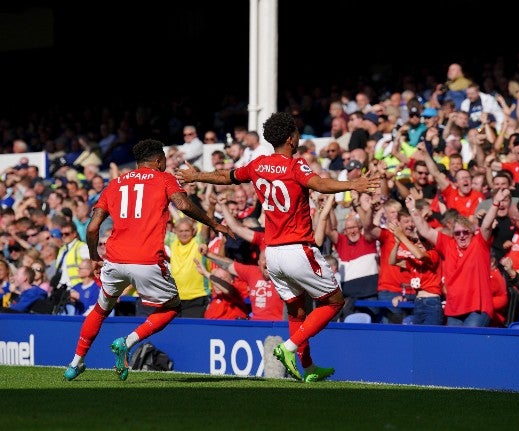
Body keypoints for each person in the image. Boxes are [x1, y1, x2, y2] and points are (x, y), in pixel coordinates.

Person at [175, 111, 379, 382]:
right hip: (298, 249)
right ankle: (288, 347)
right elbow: (319, 183)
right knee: (334, 302)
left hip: (272, 254)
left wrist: (196, 176)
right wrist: (354, 184)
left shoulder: (258, 164)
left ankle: (307, 367)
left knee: (297, 310)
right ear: (292, 139)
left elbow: (227, 176)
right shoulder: (296, 166)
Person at [63, 139, 233, 382]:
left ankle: (76, 362)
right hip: (147, 260)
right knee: (173, 307)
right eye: (163, 159)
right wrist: (216, 224)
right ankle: (127, 341)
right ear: (158, 161)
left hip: (114, 260)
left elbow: (92, 228)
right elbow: (183, 204)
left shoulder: (114, 184)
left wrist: (94, 258)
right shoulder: (163, 179)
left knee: (102, 308)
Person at [405, 188, 511, 327]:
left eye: (465, 232)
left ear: (472, 232)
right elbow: (425, 230)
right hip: (454, 308)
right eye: (457, 233)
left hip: (477, 308)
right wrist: (413, 209)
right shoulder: (447, 244)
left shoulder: (479, 244)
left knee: (469, 343)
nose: (461, 235)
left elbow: (486, 225)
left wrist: (496, 202)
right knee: (455, 346)